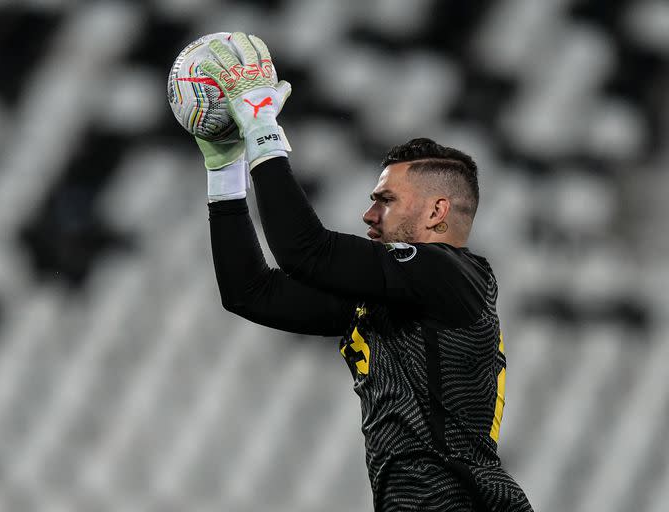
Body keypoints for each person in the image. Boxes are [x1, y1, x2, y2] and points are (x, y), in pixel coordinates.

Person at [193, 32, 534, 511]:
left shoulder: (450, 275)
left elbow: (304, 252)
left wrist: (263, 131)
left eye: (386, 200)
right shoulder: (396, 301)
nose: (368, 216)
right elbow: (250, 291)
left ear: (438, 212)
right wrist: (225, 168)